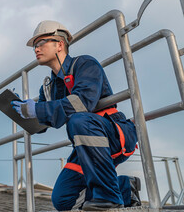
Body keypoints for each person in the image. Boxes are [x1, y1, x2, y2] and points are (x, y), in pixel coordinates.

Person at [11, 20, 141, 211]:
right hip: (85, 143)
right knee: (63, 199)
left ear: (60, 44)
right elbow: (46, 124)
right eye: (34, 46)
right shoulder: (50, 87)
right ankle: (124, 187)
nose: (36, 49)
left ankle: (109, 197)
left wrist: (36, 110)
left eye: (41, 43)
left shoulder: (85, 64)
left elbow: (81, 103)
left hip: (113, 133)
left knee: (78, 120)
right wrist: (25, 114)